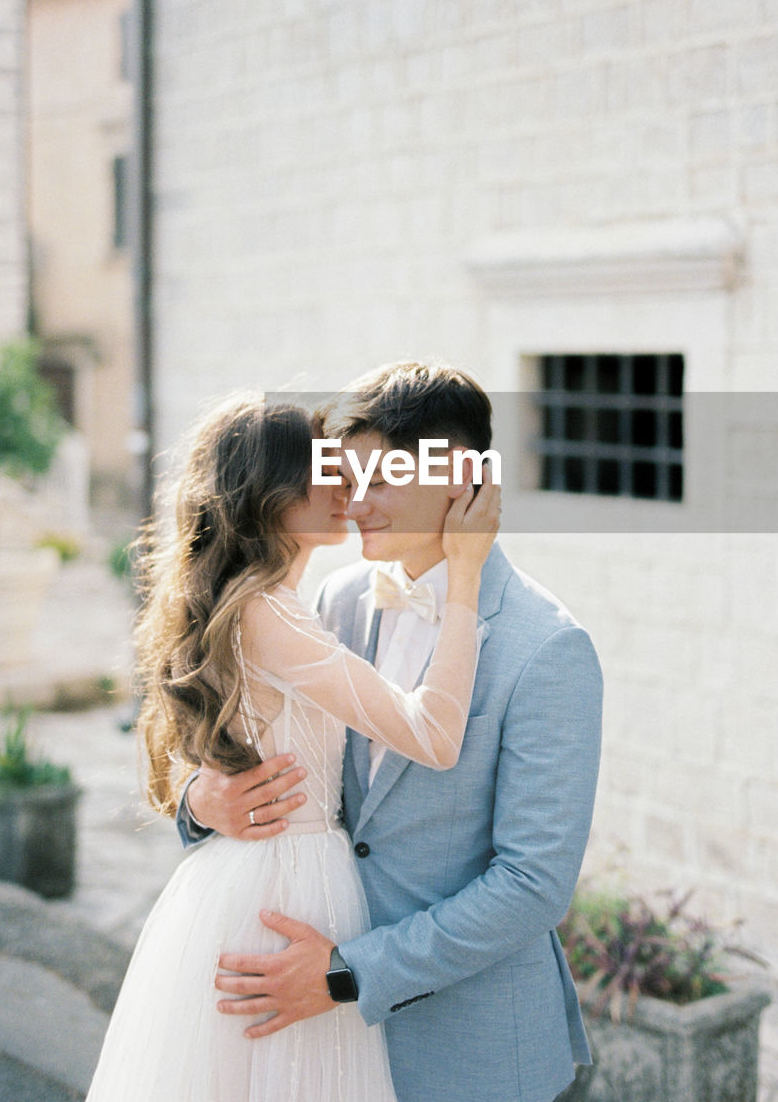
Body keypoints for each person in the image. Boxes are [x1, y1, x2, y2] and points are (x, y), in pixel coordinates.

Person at [181, 362, 604, 1102]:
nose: (355, 501)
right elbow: (261, 745)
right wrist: (200, 802)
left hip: (472, 1051)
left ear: (462, 478)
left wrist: (350, 973)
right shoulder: (334, 600)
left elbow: (533, 884)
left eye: (381, 479)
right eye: (348, 476)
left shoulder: (548, 649)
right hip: (323, 1048)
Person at [85, 392, 499, 1102]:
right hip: (285, 888)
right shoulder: (268, 613)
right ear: (270, 495)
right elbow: (433, 734)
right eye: (326, 472)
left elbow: (197, 749)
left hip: (251, 880)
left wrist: (197, 791)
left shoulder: (270, 603)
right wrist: (467, 573)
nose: (348, 488)